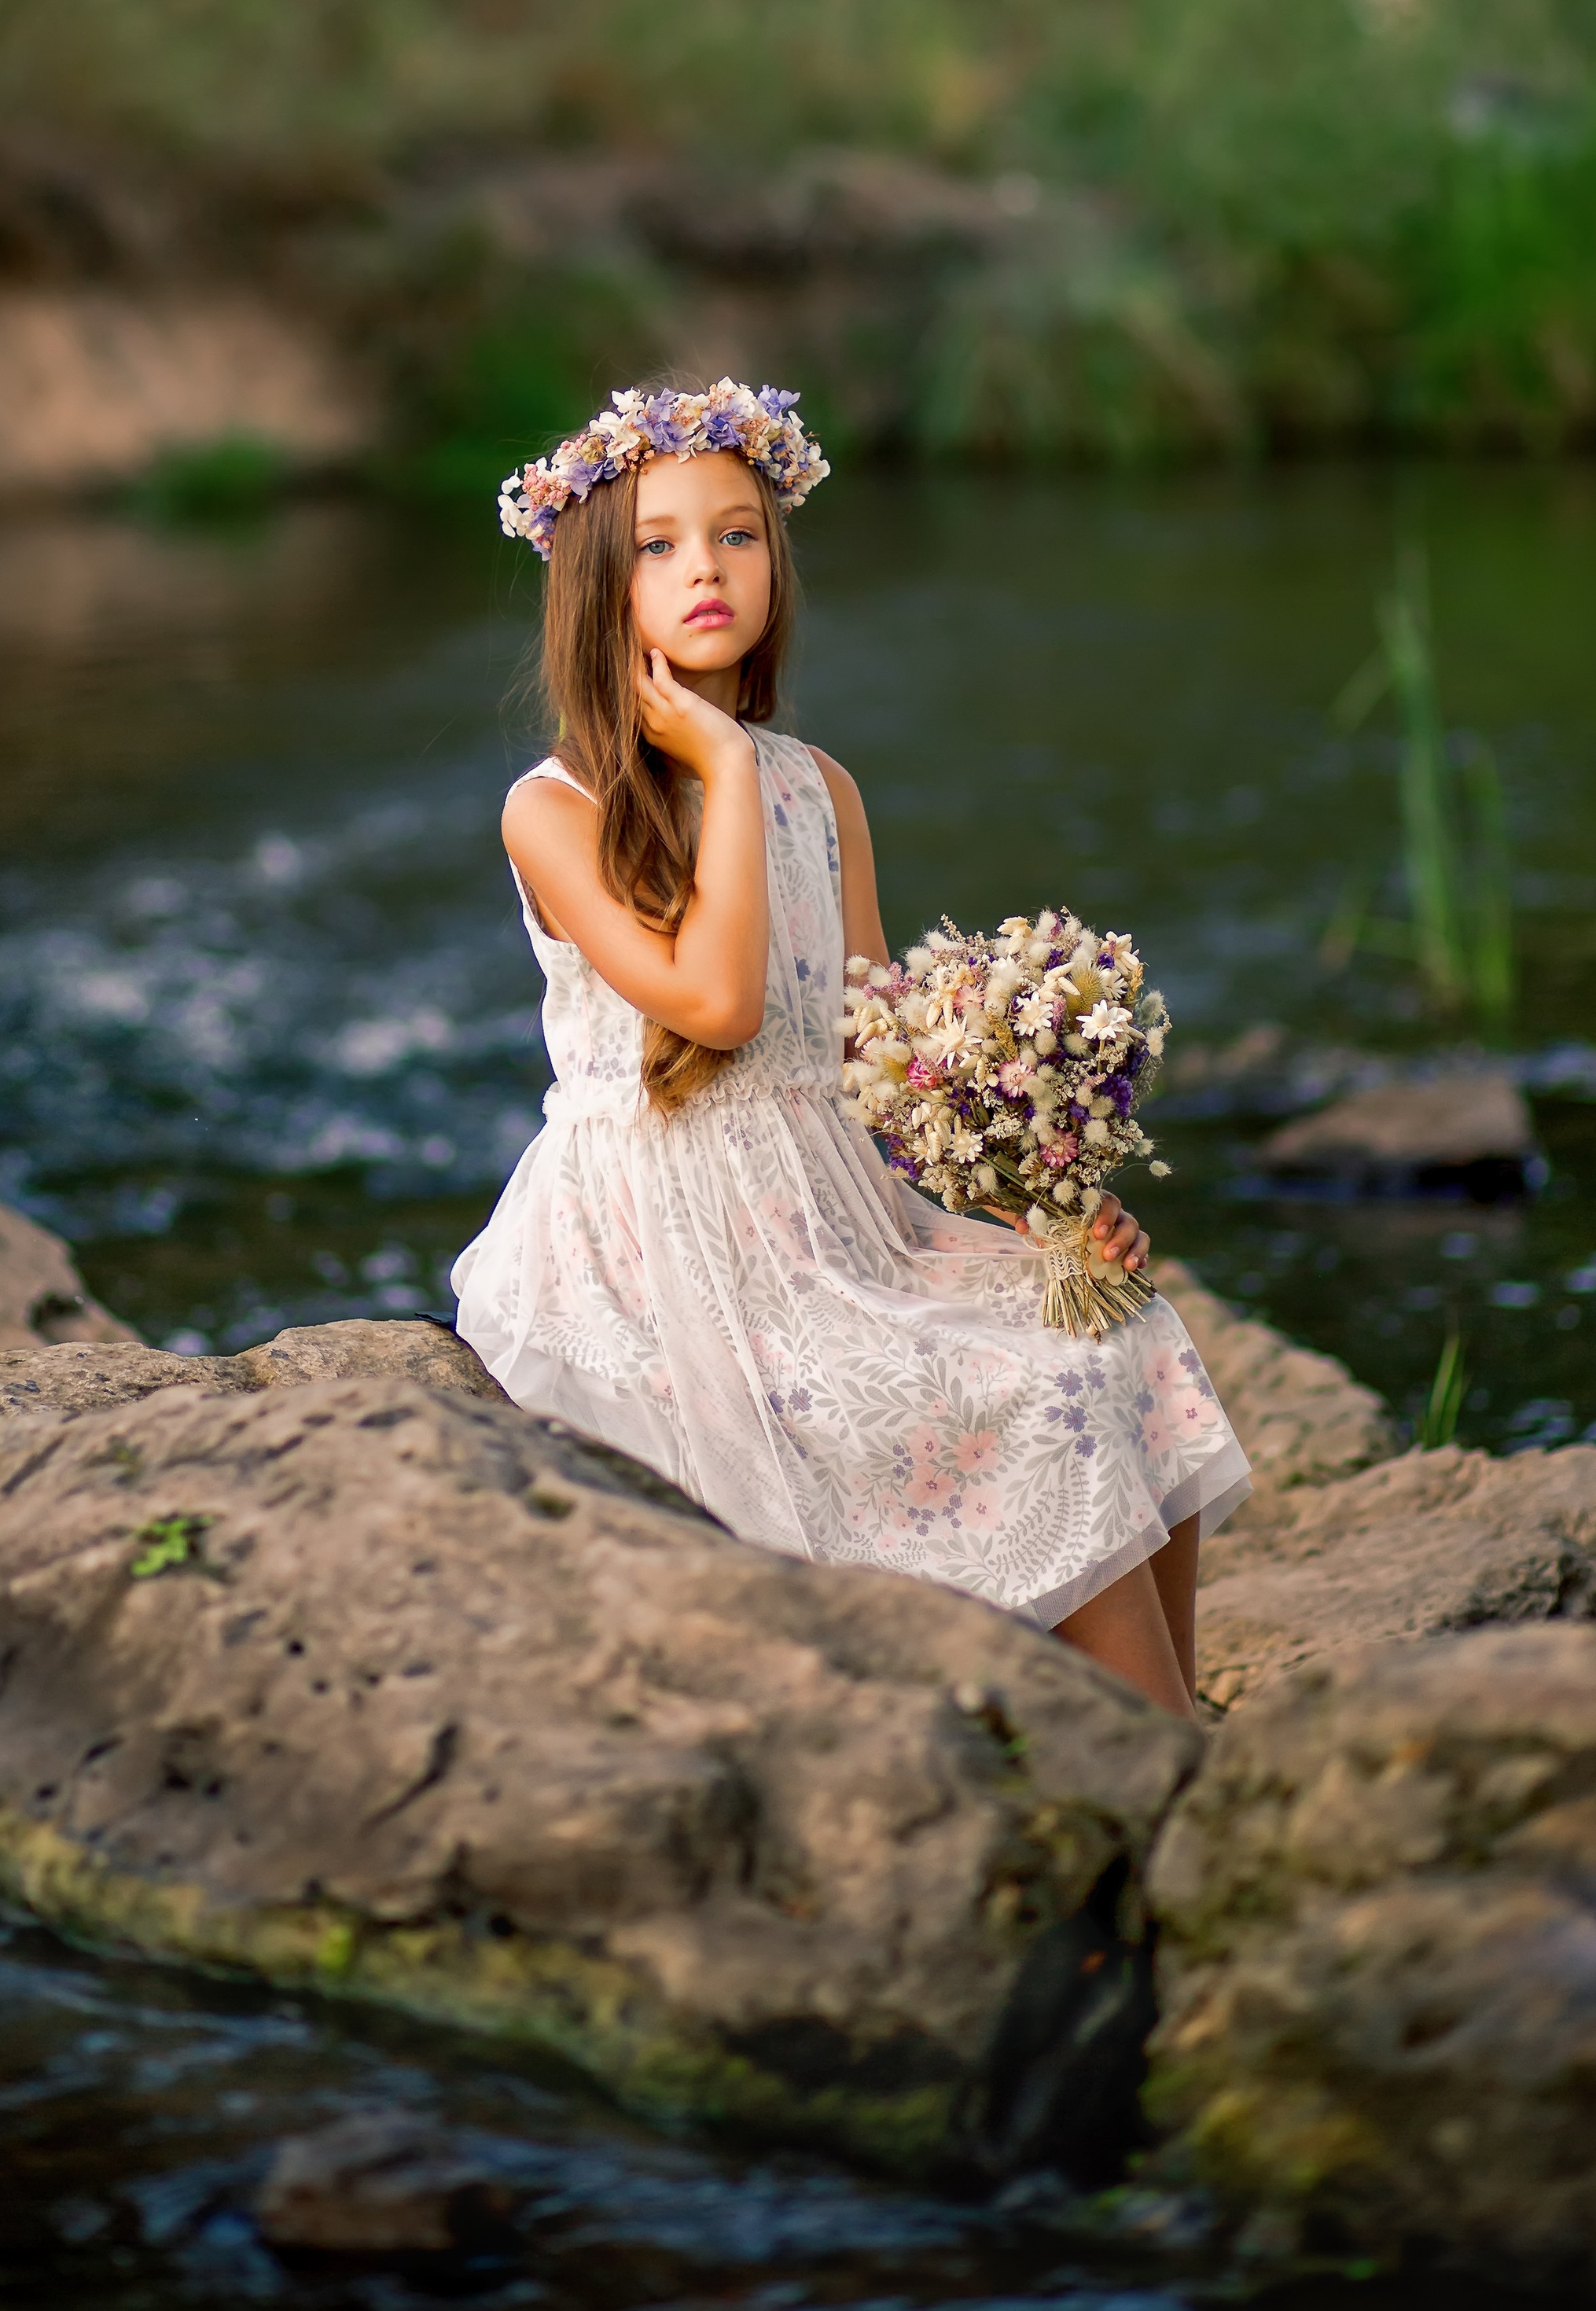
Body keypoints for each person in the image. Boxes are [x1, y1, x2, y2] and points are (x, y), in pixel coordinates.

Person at [452, 383, 1249, 1718]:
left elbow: (879, 1058)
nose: (705, 568)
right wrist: (718, 761)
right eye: (658, 545)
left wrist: (1040, 1204)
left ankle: (1163, 1718)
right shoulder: (556, 807)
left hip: (835, 1213)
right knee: (1033, 1389)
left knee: (1115, 1326)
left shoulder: (818, 787)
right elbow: (715, 1006)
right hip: (669, 1248)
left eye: (738, 534)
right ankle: (1152, 1745)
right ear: (598, 586)